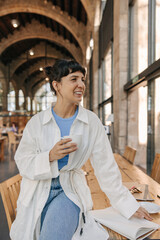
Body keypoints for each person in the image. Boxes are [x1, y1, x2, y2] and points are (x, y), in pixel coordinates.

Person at [10, 59, 152, 240]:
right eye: (74, 79)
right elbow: (22, 162)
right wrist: (50, 156)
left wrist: (129, 206)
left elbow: (106, 169)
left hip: (68, 189)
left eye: (83, 79)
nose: (81, 85)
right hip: (37, 189)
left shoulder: (91, 122)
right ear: (57, 85)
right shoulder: (36, 123)